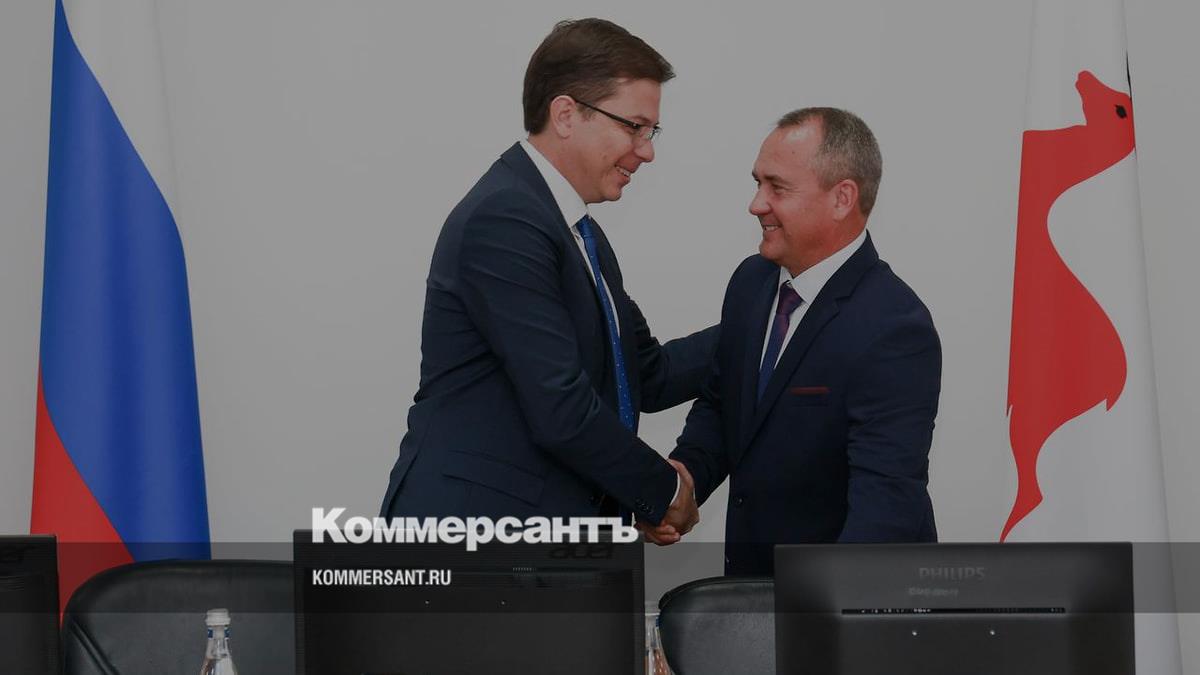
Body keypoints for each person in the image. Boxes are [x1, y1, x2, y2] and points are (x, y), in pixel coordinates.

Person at [380, 19, 714, 537]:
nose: (647, 150)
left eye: (651, 131)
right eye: (634, 126)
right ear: (565, 114)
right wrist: (665, 493)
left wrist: (767, 319)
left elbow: (647, 375)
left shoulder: (580, 234)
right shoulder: (506, 219)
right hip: (477, 539)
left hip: (537, 544)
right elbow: (562, 408)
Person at [664, 108, 942, 574]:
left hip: (835, 601)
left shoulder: (894, 327)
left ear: (842, 198)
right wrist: (686, 478)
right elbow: (722, 403)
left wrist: (825, 608)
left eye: (777, 187)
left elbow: (886, 504)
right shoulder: (751, 282)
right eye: (758, 184)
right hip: (750, 589)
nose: (756, 204)